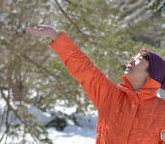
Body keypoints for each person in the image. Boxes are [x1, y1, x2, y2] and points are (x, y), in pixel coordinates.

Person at [26, 25, 165, 144]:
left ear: (152, 73)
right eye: (133, 58)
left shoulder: (162, 111)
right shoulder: (111, 96)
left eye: (140, 59)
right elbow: (85, 69)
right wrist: (56, 37)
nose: (132, 61)